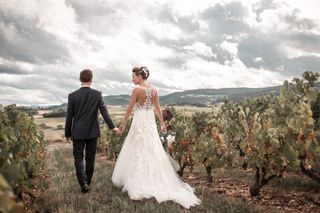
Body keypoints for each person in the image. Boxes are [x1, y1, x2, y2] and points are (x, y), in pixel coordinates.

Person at [111, 67, 201, 209]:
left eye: (133, 76)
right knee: (151, 148)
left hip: (140, 120)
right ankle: (153, 178)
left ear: (140, 77)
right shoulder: (154, 90)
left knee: (137, 148)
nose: (132, 79)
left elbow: (129, 109)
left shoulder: (136, 91)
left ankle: (137, 181)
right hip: (150, 121)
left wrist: (122, 125)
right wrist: (162, 123)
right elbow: (158, 108)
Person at [65, 69, 121, 193]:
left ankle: (83, 183)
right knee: (90, 158)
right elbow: (104, 112)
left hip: (78, 132)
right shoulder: (97, 94)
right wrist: (113, 127)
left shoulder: (72, 96)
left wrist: (67, 134)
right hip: (92, 132)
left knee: (78, 158)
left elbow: (69, 116)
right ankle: (87, 181)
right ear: (91, 80)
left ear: (80, 79)